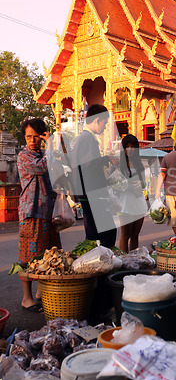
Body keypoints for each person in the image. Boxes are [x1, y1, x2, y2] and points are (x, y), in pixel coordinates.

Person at [17, 118, 61, 312]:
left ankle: (40, 293)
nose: (32, 140)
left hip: (48, 210)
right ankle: (27, 298)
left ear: (42, 136)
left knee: (49, 255)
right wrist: (50, 146)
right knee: (28, 256)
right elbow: (42, 167)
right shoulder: (23, 156)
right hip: (31, 211)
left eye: (36, 136)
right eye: (28, 136)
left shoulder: (45, 153)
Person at [71, 104, 117, 249]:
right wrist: (107, 159)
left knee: (94, 233)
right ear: (97, 120)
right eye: (105, 123)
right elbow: (87, 164)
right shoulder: (87, 138)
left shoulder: (84, 138)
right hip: (92, 192)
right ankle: (101, 265)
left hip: (87, 191)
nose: (105, 127)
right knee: (106, 233)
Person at [119, 134, 147, 253]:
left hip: (139, 201)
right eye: (127, 146)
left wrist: (141, 184)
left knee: (135, 234)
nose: (130, 149)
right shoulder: (119, 165)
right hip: (125, 203)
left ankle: (134, 261)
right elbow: (116, 185)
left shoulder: (139, 164)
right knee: (126, 235)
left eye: (132, 146)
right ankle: (124, 262)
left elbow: (144, 184)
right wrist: (130, 187)